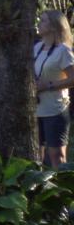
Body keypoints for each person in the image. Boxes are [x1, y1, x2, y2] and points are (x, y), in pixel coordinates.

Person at [33, 10, 73, 169]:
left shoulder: (63, 51)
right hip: (35, 110)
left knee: (57, 157)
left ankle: (63, 191)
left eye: (43, 21)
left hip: (55, 110)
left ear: (54, 26)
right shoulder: (36, 48)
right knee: (37, 156)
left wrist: (48, 86)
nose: (39, 23)